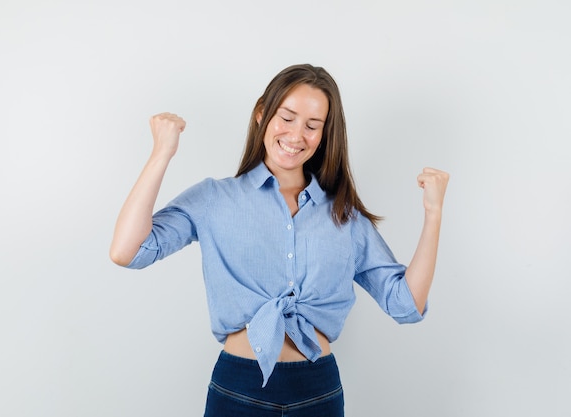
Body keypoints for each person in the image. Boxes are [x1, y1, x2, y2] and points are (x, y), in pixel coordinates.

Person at [109, 63, 449, 417]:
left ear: (324, 135)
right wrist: (161, 153)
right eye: (287, 117)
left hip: (317, 393)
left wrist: (434, 214)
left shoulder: (344, 217)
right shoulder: (214, 199)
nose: (296, 134)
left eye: (312, 125)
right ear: (261, 115)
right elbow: (127, 251)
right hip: (239, 389)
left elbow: (405, 304)